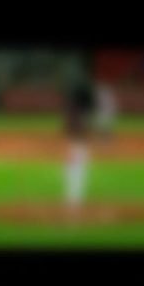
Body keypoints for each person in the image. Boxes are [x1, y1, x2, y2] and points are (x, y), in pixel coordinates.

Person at [62, 76, 97, 210]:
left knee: (76, 170)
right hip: (77, 146)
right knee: (75, 170)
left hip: (78, 146)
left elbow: (74, 130)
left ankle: (74, 198)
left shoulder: (74, 114)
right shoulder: (76, 115)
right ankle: (74, 198)